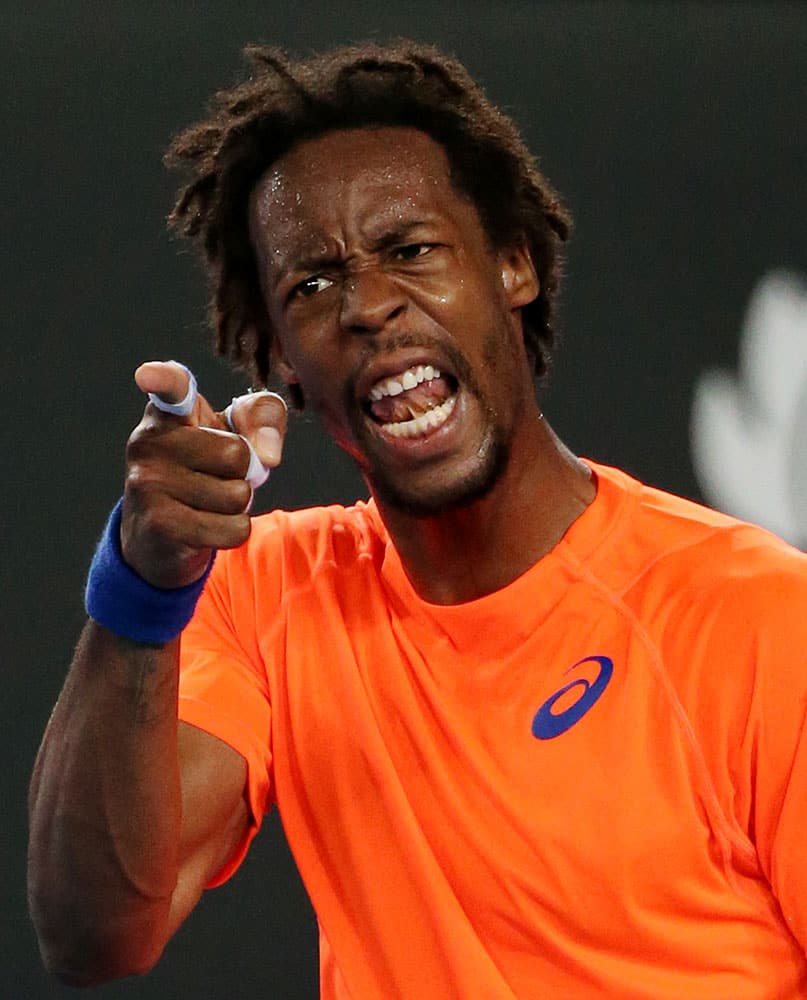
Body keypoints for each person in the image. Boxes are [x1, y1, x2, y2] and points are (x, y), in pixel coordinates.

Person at [27, 40, 807, 999]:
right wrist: (140, 588)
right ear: (280, 363)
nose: (367, 308)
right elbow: (94, 933)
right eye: (312, 286)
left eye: (410, 250)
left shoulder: (761, 618)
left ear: (513, 264)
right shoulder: (256, 592)